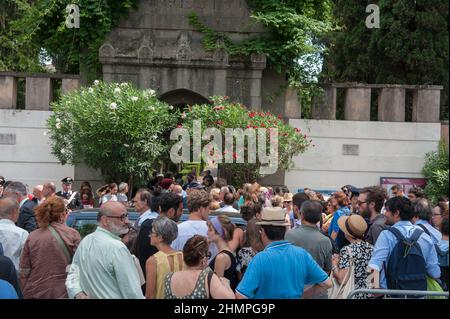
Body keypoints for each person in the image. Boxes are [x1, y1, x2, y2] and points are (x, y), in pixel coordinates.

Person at [236, 207, 332, 299]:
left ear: (263, 233)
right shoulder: (302, 254)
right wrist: (303, 295)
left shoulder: (260, 259)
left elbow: (241, 295)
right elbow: (327, 283)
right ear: (284, 230)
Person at [66, 201, 144, 299]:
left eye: (126, 216)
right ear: (105, 221)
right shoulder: (118, 248)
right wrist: (78, 293)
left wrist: (78, 293)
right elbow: (132, 293)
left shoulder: (86, 241)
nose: (127, 221)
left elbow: (72, 274)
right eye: (122, 217)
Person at [368, 196, 440, 290]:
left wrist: (374, 289)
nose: (385, 214)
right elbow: (435, 273)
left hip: (392, 293)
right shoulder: (424, 236)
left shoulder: (387, 235)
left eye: (387, 210)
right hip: (418, 294)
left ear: (396, 213)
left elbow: (374, 265)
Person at [20, 196, 81, 298]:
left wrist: (26, 292)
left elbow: (24, 271)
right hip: (64, 292)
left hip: (37, 291)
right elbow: (79, 266)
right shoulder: (72, 234)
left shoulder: (33, 236)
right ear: (62, 214)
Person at [164, 235, 235, 299]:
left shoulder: (169, 278)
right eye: (208, 255)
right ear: (204, 259)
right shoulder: (207, 277)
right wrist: (226, 284)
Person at [285, 200, 333, 276]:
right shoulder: (325, 241)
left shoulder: (290, 235)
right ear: (319, 218)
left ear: (302, 215)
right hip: (316, 284)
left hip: (293, 282)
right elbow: (327, 270)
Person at [331, 214, 373, 299]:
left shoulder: (347, 250)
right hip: (368, 294)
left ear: (347, 233)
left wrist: (334, 264)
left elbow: (342, 280)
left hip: (352, 295)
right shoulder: (372, 248)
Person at [145, 217, 184, 299]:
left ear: (160, 237)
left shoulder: (153, 261)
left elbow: (150, 295)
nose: (149, 235)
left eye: (152, 232)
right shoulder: (183, 256)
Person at [171, 190, 214, 256]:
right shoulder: (212, 229)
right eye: (208, 208)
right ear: (201, 208)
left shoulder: (177, 229)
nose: (209, 212)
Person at [207, 216, 239, 290]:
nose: (207, 232)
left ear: (220, 233)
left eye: (210, 230)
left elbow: (216, 288)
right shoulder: (227, 253)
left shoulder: (221, 257)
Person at [0, 198, 29, 271]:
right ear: (15, 212)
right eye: (19, 212)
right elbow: (25, 261)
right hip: (13, 276)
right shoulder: (22, 233)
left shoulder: (22, 233)